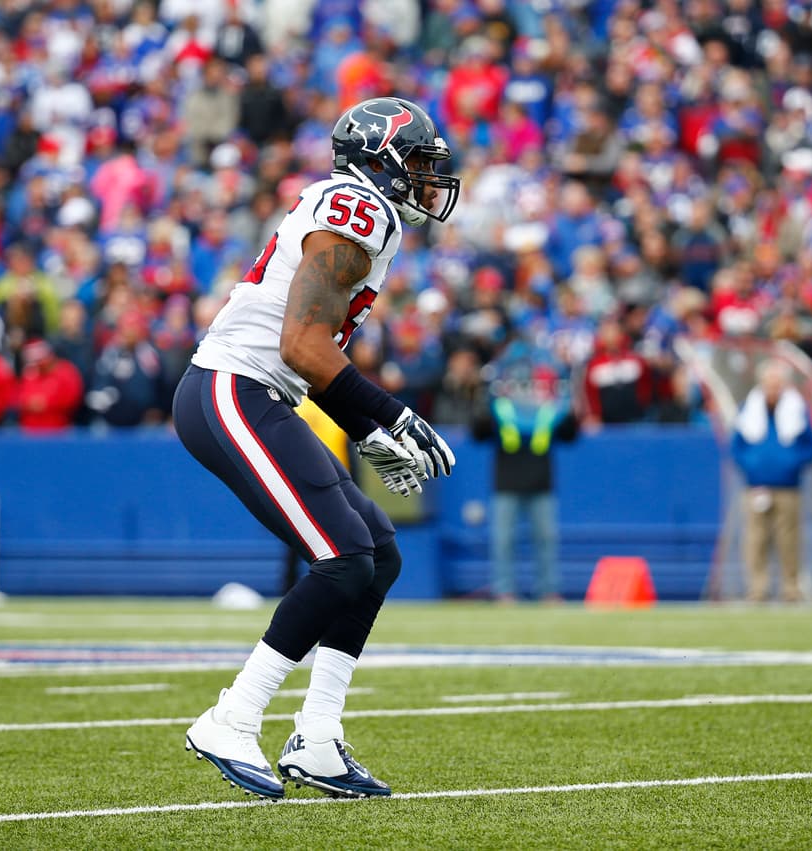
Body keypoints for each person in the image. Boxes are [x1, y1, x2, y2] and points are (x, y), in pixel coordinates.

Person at [174, 97, 460, 800]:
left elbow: (310, 354)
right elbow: (300, 345)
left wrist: (367, 427)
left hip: (261, 392)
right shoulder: (360, 210)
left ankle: (320, 735)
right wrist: (390, 412)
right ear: (381, 162)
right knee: (342, 559)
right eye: (419, 162)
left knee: (378, 550)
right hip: (231, 390)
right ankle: (233, 714)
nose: (429, 179)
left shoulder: (363, 214)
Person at [471, 340, 578, 603]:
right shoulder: (500, 408)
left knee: (545, 539)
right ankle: (505, 591)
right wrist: (483, 400)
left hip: (540, 481)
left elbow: (571, 434)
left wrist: (572, 408)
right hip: (507, 482)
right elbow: (478, 432)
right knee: (504, 541)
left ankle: (548, 590)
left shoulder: (548, 410)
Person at [730, 360, 812, 603]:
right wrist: (752, 467)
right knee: (755, 540)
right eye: (769, 383)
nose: (773, 388)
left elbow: (809, 445)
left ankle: (790, 587)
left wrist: (792, 465)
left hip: (788, 486)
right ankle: (758, 588)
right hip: (756, 486)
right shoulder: (749, 408)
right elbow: (737, 446)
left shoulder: (796, 408)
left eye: (777, 383)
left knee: (788, 541)